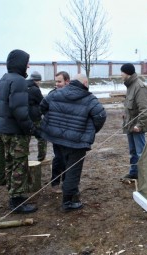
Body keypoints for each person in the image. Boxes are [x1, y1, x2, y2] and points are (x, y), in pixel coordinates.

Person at [40, 73, 106, 211]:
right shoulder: (89, 99)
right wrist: (90, 131)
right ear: (85, 83)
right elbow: (101, 115)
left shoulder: (55, 93)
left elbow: (43, 106)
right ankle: (68, 202)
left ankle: (71, 192)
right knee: (73, 170)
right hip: (77, 142)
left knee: (63, 163)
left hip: (58, 138)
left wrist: (54, 125)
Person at [0, 49, 39, 214]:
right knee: (19, 164)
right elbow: (19, 110)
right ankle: (17, 200)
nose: (28, 65)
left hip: (4, 130)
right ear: (21, 63)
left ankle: (13, 193)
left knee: (10, 161)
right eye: (27, 62)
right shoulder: (20, 81)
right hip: (16, 132)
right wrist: (31, 128)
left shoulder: (5, 79)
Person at [120, 63, 147, 180]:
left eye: (122, 72)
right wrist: (125, 114)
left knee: (140, 153)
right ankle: (134, 173)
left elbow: (145, 109)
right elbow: (130, 105)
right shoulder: (130, 85)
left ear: (127, 73)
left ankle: (144, 176)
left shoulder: (139, 86)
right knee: (133, 152)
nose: (121, 74)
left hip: (137, 126)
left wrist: (140, 125)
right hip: (130, 125)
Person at [50, 71, 70, 193]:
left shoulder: (72, 95)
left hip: (69, 133)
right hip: (56, 133)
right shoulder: (52, 95)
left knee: (68, 159)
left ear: (67, 81)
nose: (57, 84)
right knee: (59, 158)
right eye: (56, 81)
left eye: (59, 81)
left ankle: (66, 183)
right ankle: (55, 182)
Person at [27, 71, 47, 161]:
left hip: (25, 117)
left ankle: (24, 158)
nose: (39, 82)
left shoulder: (23, 86)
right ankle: (41, 158)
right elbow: (42, 101)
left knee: (26, 138)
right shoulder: (35, 89)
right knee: (41, 137)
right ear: (36, 80)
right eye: (39, 80)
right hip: (35, 117)